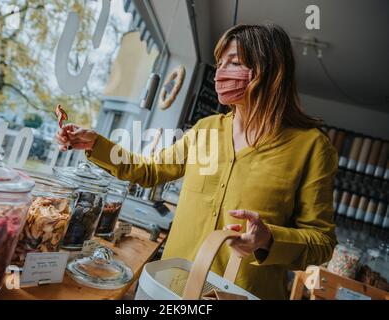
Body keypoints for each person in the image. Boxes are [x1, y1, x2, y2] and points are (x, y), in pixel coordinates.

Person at [55, 23, 338, 300]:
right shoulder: (206, 129)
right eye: (219, 63)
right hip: (169, 286)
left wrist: (268, 239)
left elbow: (322, 243)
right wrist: (96, 143)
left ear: (267, 72)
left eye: (233, 62)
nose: (220, 73)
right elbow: (149, 170)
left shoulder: (312, 147)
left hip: (239, 294)